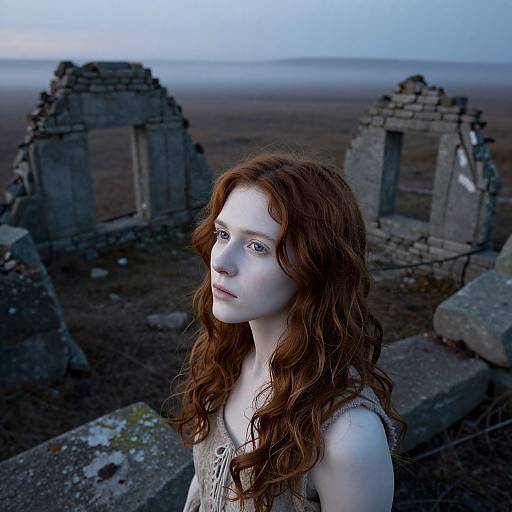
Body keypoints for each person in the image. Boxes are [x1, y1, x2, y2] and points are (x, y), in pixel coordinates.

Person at [166, 153, 407, 512]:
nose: (220, 261)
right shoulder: (227, 359)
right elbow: (204, 480)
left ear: (316, 265)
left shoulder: (348, 438)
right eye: (222, 234)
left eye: (257, 246)